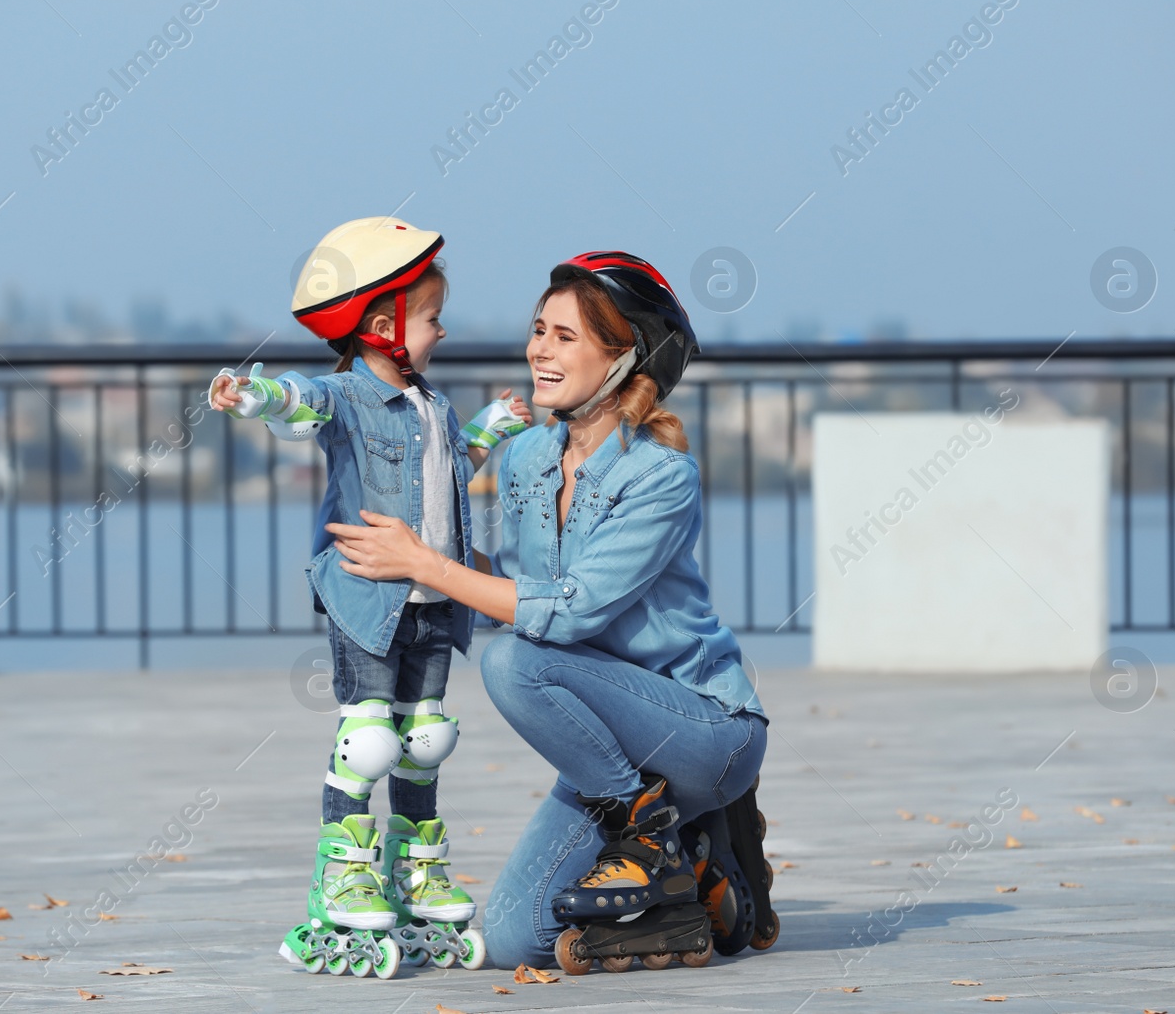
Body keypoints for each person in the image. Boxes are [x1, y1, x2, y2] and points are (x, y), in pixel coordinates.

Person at [326, 251, 774, 973]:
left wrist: (429, 564)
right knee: (511, 939)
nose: (538, 348)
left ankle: (669, 824)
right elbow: (514, 587)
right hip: (613, 753)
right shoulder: (527, 457)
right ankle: (684, 880)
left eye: (565, 336)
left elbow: (564, 616)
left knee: (512, 657)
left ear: (625, 355)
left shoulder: (662, 474)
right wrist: (404, 557)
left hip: (703, 730)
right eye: (539, 329)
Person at [208, 217, 531, 976]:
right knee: (370, 739)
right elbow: (298, 403)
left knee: (424, 739)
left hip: (433, 600)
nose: (442, 330)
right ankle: (343, 872)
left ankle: (416, 868)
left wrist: (493, 425)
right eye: (431, 318)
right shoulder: (348, 396)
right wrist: (251, 395)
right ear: (383, 327)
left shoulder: (434, 405)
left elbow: (455, 465)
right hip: (369, 598)